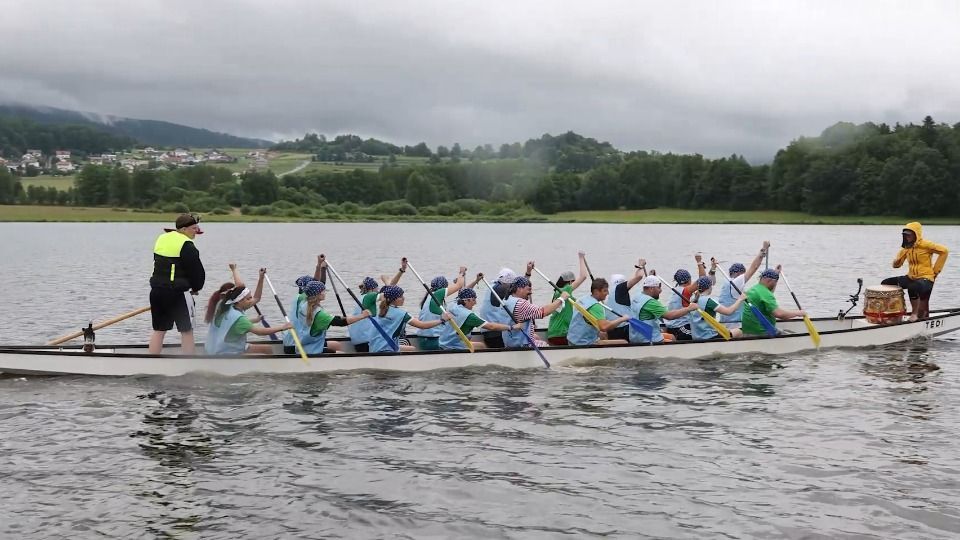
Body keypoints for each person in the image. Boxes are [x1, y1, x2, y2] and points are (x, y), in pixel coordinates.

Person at [149, 213, 206, 354]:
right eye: (194, 228)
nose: (197, 231)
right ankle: (188, 362)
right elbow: (196, 272)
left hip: (157, 291)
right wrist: (196, 287)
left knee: (159, 329)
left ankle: (152, 360)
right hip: (178, 293)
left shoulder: (161, 239)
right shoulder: (187, 245)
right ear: (184, 229)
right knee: (187, 330)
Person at [882, 222, 949, 321]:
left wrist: (936, 271)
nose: (907, 237)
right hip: (911, 277)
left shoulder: (926, 245)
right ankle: (895, 310)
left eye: (909, 235)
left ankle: (914, 314)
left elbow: (944, 251)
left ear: (916, 234)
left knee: (912, 288)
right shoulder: (906, 248)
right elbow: (896, 266)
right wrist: (898, 258)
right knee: (885, 283)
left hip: (926, 278)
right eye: (905, 235)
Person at [284, 280, 371, 355]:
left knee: (336, 349)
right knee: (341, 355)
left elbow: (309, 290)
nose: (325, 293)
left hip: (304, 347)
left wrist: (321, 268)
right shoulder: (319, 314)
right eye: (323, 291)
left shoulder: (303, 304)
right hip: (313, 351)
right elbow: (340, 322)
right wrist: (362, 316)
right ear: (318, 294)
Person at [204, 285, 291, 355]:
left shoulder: (227, 308)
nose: (251, 300)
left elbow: (233, 325)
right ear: (239, 301)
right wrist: (282, 327)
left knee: (264, 348)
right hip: (228, 352)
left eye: (251, 297)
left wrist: (255, 320)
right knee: (267, 349)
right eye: (248, 299)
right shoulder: (240, 319)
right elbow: (260, 332)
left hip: (214, 348)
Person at [368, 285, 450, 352]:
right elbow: (422, 325)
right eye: (400, 297)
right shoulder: (401, 314)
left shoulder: (382, 309)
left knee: (412, 349)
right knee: (412, 351)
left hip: (375, 346)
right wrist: (442, 320)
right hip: (385, 349)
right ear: (393, 299)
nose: (403, 298)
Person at [349, 259, 407, 352]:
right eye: (377, 289)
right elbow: (392, 292)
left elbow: (390, 290)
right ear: (372, 289)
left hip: (358, 342)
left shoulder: (361, 298)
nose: (378, 291)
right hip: (367, 341)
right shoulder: (370, 296)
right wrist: (399, 272)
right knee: (410, 348)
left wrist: (401, 271)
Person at [439, 288, 525, 350]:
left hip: (443, 342)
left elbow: (463, 291)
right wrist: (511, 327)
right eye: (473, 300)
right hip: (452, 346)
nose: (475, 303)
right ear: (466, 300)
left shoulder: (454, 305)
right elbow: (491, 327)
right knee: (482, 346)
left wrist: (476, 280)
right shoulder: (469, 316)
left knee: (476, 342)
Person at [502, 270, 568, 348]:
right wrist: (561, 299)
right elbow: (543, 312)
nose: (531, 292)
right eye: (528, 289)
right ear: (519, 289)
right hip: (523, 345)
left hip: (510, 342)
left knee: (537, 337)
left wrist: (528, 272)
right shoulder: (521, 304)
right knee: (546, 346)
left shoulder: (507, 300)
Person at [417, 266, 477, 351]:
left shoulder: (429, 297)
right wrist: (462, 272)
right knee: (467, 343)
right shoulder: (438, 294)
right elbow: (459, 285)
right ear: (444, 287)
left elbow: (463, 294)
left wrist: (476, 280)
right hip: (434, 341)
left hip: (423, 340)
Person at [715, 241, 770, 329]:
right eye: (743, 274)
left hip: (724, 324)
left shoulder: (726, 283)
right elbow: (754, 267)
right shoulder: (736, 283)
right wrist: (764, 250)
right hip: (735, 326)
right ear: (738, 273)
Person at [629, 275, 699, 344]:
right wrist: (689, 309)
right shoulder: (650, 302)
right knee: (674, 343)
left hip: (635, 335)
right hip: (648, 338)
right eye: (659, 288)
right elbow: (669, 316)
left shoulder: (637, 296)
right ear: (651, 289)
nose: (661, 290)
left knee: (672, 337)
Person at [740, 267, 805, 336]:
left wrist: (776, 273)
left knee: (786, 331)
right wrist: (798, 313)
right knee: (791, 335)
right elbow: (779, 314)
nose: (776, 283)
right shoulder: (765, 294)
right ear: (769, 280)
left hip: (748, 331)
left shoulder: (754, 289)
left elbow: (769, 293)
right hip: (762, 332)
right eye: (776, 281)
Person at [566, 278, 631, 346]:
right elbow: (604, 327)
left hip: (571, 339)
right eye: (605, 291)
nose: (608, 293)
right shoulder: (596, 306)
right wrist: (623, 319)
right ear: (596, 291)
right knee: (624, 342)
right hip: (583, 343)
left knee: (603, 334)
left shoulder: (583, 299)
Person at [663, 254, 710, 341]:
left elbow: (683, 305)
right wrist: (699, 262)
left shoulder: (675, 291)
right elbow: (703, 280)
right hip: (681, 328)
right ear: (689, 280)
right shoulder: (684, 291)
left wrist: (695, 300)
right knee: (706, 333)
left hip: (671, 327)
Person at [546, 252, 589, 345]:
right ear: (570, 281)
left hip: (554, 332)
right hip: (561, 333)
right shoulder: (564, 290)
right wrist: (581, 258)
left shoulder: (557, 293)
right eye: (573, 282)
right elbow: (583, 276)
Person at [606, 258, 647, 341]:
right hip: (623, 328)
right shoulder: (620, 288)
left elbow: (635, 278)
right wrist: (641, 265)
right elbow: (639, 277)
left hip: (612, 329)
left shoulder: (610, 293)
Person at [478, 267, 518, 349]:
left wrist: (528, 273)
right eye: (511, 284)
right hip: (495, 332)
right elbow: (519, 296)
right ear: (507, 282)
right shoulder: (501, 289)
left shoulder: (492, 286)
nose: (512, 287)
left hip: (488, 331)